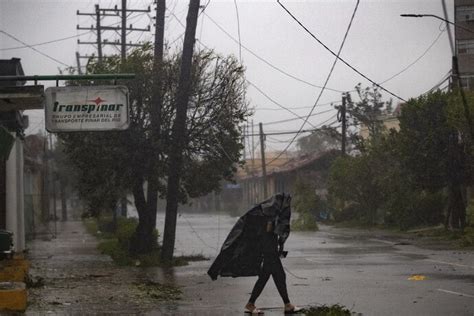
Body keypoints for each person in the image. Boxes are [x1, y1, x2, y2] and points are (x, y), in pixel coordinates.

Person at [207, 193, 300, 315]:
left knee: (271, 277)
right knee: (278, 276)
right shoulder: (264, 214)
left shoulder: (272, 213)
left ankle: (278, 304)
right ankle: (275, 304)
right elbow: (262, 233)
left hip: (270, 250)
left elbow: (279, 231)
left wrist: (279, 244)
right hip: (268, 251)